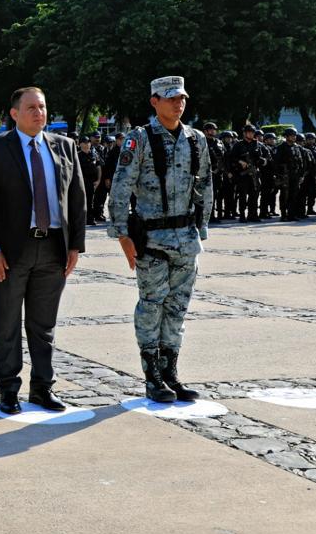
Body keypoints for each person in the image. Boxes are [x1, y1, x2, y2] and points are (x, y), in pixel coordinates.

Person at [0, 87, 85, 415]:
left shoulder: (64, 147)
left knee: (43, 324)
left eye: (43, 107)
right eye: (31, 108)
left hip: (53, 248)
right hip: (9, 251)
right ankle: (8, 389)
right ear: (15, 113)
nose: (39, 113)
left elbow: (76, 197)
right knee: (6, 322)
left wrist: (75, 244)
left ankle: (42, 388)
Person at [107, 76, 211, 404]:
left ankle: (171, 374)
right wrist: (122, 235)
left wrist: (202, 228)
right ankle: (152, 377)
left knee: (177, 309)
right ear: (154, 101)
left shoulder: (195, 139)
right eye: (170, 99)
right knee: (152, 306)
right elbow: (121, 188)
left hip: (186, 239)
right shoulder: (140, 139)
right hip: (152, 240)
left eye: (181, 98)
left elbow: (205, 184)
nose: (177, 104)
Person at [228, 124, 267, 223]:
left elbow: (267, 157)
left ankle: (253, 215)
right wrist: (240, 162)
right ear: (244, 133)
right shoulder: (238, 145)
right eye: (249, 132)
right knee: (242, 195)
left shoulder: (258, 144)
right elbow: (231, 158)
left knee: (254, 195)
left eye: (252, 132)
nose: (251, 134)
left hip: (255, 173)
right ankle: (242, 215)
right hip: (243, 175)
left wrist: (263, 161)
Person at [275, 128, 304, 221]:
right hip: (285, 175)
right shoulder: (280, 148)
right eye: (292, 135)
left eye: (294, 135)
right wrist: (279, 175)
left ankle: (292, 214)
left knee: (294, 195)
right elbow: (276, 163)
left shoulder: (297, 147)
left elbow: (301, 162)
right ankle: (283, 214)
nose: (294, 137)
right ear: (286, 137)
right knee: (284, 195)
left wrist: (301, 175)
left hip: (295, 175)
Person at [202, 123, 224, 223]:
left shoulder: (219, 142)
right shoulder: (201, 142)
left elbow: (224, 156)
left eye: (214, 130)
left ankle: (214, 216)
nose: (213, 131)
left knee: (216, 195)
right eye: (210, 130)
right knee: (206, 196)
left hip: (218, 173)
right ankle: (206, 216)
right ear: (205, 131)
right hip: (205, 173)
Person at [78, 136, 102, 226]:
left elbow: (99, 167)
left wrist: (99, 180)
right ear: (80, 144)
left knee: (90, 201)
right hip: (82, 182)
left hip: (92, 182)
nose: (87, 144)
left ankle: (90, 219)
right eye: (84, 142)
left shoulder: (94, 154)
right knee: (81, 202)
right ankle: (81, 219)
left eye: (88, 142)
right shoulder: (77, 155)